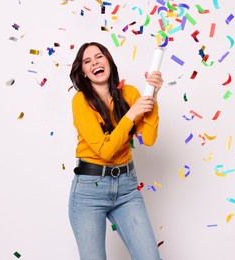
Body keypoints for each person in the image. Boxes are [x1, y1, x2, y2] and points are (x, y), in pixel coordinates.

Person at [68, 41, 163, 260]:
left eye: (99, 57)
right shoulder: (80, 101)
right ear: (83, 71)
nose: (95, 63)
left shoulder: (129, 93)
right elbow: (105, 150)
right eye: (87, 61)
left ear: (108, 60)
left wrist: (153, 96)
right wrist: (131, 115)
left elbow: (147, 139)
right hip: (89, 191)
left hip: (127, 187)